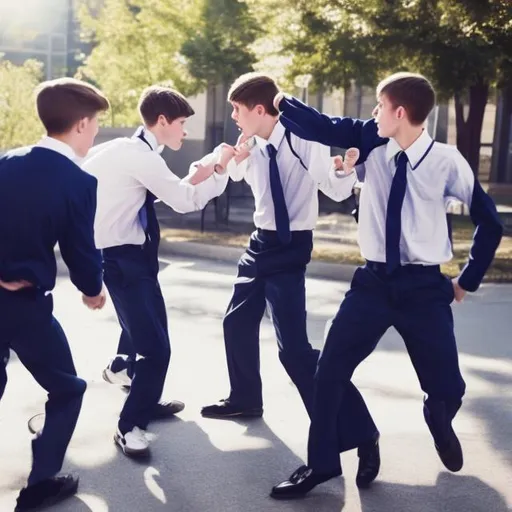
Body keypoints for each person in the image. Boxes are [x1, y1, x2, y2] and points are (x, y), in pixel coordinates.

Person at [270, 72, 504, 499]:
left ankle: (438, 414)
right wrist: (279, 100)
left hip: (423, 288)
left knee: (449, 387)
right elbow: (324, 126)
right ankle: (321, 464)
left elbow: (490, 222)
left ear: (400, 113)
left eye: (379, 106)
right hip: (373, 283)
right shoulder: (372, 140)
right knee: (329, 372)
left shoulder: (446, 161)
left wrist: (466, 280)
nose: (372, 113)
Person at [200, 72, 361, 425]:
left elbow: (332, 189)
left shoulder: (304, 138)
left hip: (291, 245)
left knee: (294, 350)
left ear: (259, 109)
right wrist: (238, 157)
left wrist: (346, 172)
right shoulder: (253, 142)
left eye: (237, 110)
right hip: (260, 242)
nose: (233, 117)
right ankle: (245, 399)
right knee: (236, 322)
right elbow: (241, 176)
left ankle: (351, 425)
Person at [82, 85, 233, 457]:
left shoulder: (127, 149)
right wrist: (219, 171)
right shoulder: (139, 157)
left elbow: (173, 190)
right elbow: (182, 200)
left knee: (151, 329)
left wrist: (209, 170)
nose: (184, 131)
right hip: (121, 258)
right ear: (162, 120)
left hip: (130, 257)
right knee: (157, 350)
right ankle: (129, 425)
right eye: (181, 123)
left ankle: (125, 373)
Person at [0, 78, 108, 511]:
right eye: (97, 122)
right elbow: (81, 250)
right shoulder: (77, 181)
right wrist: (93, 290)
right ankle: (41, 483)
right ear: (81, 124)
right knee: (67, 388)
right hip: (27, 308)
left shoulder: (6, 162)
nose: (97, 130)